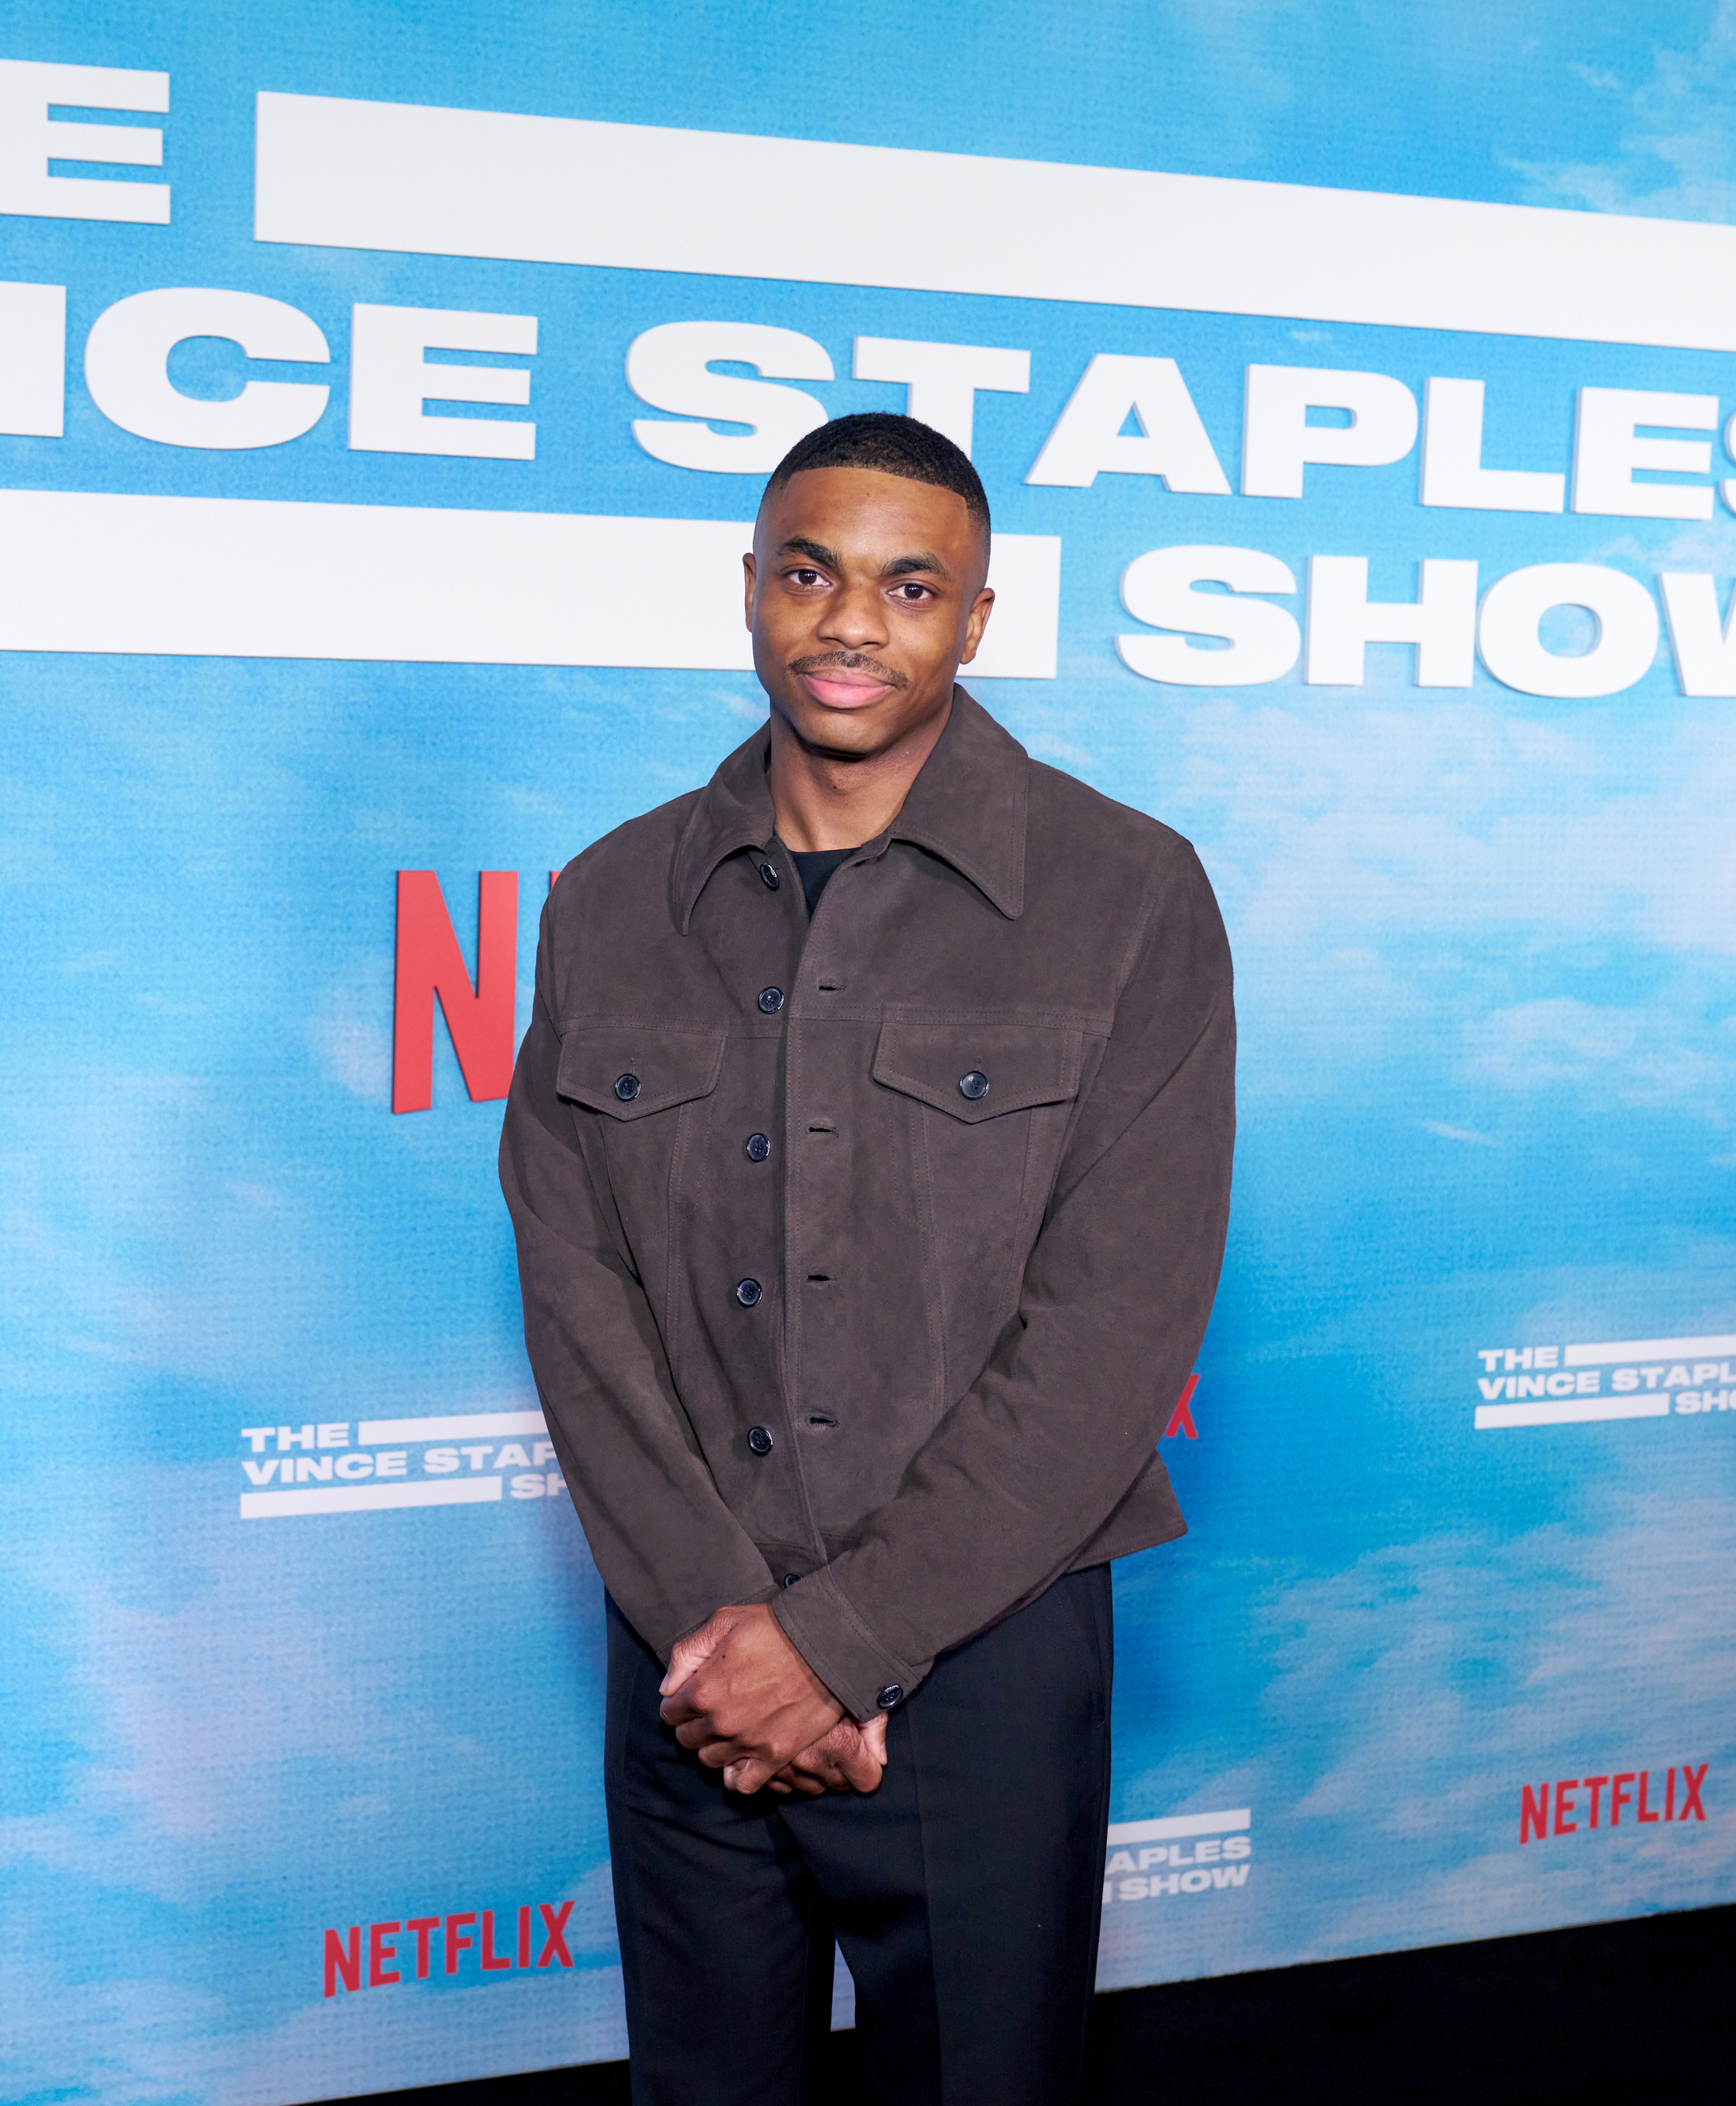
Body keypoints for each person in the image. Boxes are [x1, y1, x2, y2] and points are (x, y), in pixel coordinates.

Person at [499, 411, 1237, 2106]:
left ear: (976, 619)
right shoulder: (607, 898)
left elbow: (1114, 1323)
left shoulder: (1127, 891)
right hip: (685, 1646)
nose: (852, 621)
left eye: (911, 586)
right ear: (749, 591)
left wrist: (835, 1640)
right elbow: (575, 1283)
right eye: (810, 572)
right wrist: (723, 1634)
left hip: (981, 1651)